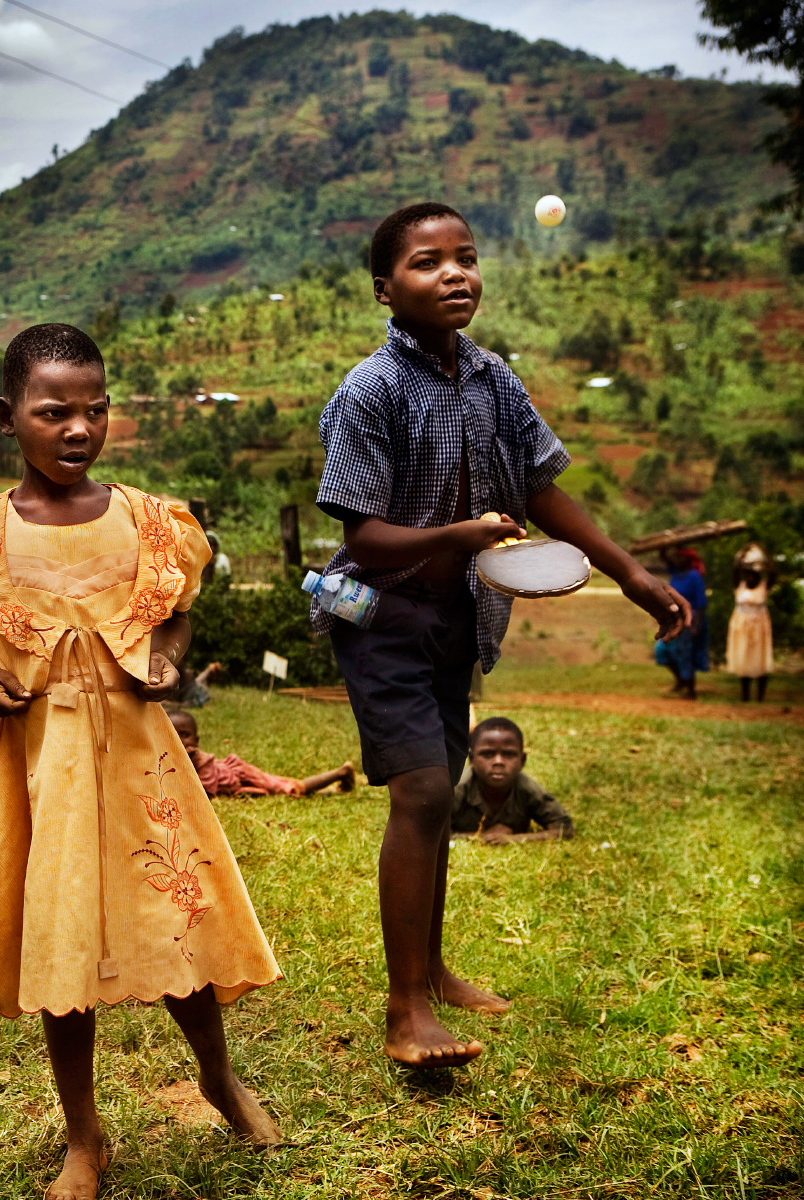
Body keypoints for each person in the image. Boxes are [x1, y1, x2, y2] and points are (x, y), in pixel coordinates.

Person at [312, 202, 690, 1069]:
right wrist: (461, 535)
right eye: (426, 262)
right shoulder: (371, 391)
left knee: (437, 789)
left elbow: (543, 489)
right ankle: (406, 1010)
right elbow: (363, 536)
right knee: (417, 795)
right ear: (385, 288)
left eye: (466, 258)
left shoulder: (493, 380)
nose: (453, 274)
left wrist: (628, 572)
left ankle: (432, 969)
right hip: (379, 616)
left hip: (457, 619)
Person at [0, 324, 283, 1198]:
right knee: (64, 945)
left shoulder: (152, 522)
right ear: (10, 418)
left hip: (139, 757)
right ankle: (83, 1138)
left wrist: (168, 660)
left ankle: (219, 1077)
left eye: (96, 410)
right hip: (43, 759)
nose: (78, 429)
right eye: (54, 412)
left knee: (177, 926)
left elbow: (176, 616)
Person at [166, 709, 355, 797]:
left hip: (243, 775)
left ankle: (342, 772)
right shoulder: (169, 762)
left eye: (186, 735)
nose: (181, 741)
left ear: (197, 741)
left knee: (289, 788)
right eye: (175, 736)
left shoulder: (201, 761)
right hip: (240, 785)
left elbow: (204, 794)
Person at [450, 717, 573, 843]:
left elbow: (565, 828)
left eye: (508, 754)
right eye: (488, 754)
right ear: (471, 759)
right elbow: (434, 831)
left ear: (522, 760)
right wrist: (482, 837)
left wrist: (514, 839)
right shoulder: (456, 789)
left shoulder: (527, 788)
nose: (498, 762)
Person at [654, 547, 709, 699]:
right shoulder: (676, 573)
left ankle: (691, 691)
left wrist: (695, 626)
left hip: (689, 621)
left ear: (687, 559)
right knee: (662, 651)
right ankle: (681, 681)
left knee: (686, 655)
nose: (676, 559)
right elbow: (663, 555)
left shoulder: (694, 576)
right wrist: (668, 543)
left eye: (680, 557)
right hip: (673, 620)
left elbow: (701, 603)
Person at [727, 542, 773, 702]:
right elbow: (734, 570)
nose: (750, 577)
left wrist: (764, 554)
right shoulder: (739, 586)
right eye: (747, 574)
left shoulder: (763, 587)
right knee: (743, 656)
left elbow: (772, 572)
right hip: (741, 626)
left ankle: (760, 697)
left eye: (753, 574)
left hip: (760, 627)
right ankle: (744, 696)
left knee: (760, 658)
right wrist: (742, 554)